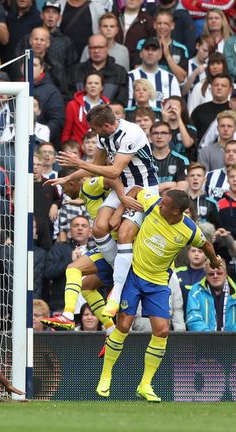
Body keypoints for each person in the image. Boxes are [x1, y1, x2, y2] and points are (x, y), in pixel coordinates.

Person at [97, 188, 221, 402]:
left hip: (158, 282)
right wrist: (120, 211)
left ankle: (145, 384)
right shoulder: (153, 204)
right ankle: (105, 375)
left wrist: (215, 261)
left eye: (165, 204)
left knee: (162, 330)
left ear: (176, 211)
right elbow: (136, 190)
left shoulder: (189, 230)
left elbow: (207, 244)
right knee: (124, 325)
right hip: (134, 274)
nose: (160, 204)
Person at [52, 104, 159, 318]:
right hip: (121, 186)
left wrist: (78, 162)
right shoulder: (103, 137)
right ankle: (116, 271)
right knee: (99, 228)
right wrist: (68, 176)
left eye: (95, 128)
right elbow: (96, 165)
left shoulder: (131, 133)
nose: (92, 133)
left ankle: (118, 289)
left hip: (144, 188)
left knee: (124, 233)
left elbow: (114, 170)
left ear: (107, 125)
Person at [40, 176, 119, 334]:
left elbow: (114, 180)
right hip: (110, 246)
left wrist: (123, 201)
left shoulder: (92, 185)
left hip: (115, 246)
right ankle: (111, 329)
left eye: (65, 188)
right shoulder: (84, 194)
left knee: (73, 268)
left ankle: (67, 316)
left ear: (73, 182)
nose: (65, 194)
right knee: (87, 287)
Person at [186, 260, 236, 331]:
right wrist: (210, 339)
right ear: (206, 275)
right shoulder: (195, 291)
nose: (215, 276)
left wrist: (231, 338)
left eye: (219, 273)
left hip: (235, 341)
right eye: (211, 274)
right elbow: (193, 320)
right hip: (204, 340)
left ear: (226, 274)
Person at [127, 38, 181, 110]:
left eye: (154, 50)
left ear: (160, 55)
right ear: (140, 54)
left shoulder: (170, 78)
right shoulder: (129, 77)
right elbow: (127, 106)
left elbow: (177, 107)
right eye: (147, 49)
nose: (150, 52)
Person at [62, 71, 110, 145]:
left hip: (101, 151)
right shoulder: (73, 105)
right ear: (85, 87)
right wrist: (65, 148)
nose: (93, 86)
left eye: (96, 83)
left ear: (102, 87)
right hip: (78, 151)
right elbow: (67, 132)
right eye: (89, 83)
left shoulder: (108, 107)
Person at [150, 121, 189, 194]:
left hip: (173, 204)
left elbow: (182, 188)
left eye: (163, 133)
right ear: (151, 137)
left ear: (170, 136)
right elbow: (142, 190)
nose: (159, 136)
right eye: (155, 133)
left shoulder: (181, 160)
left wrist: (161, 192)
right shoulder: (144, 161)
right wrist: (167, 185)